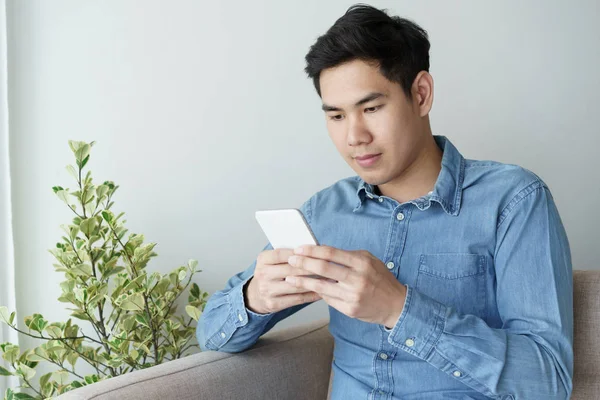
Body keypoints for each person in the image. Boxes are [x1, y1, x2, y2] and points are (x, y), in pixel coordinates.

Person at [196, 4, 573, 399]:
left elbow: (548, 380)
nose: (354, 136)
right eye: (337, 116)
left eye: (371, 108)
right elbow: (212, 332)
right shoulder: (324, 213)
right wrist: (255, 297)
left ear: (421, 94)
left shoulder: (514, 201)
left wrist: (399, 309)